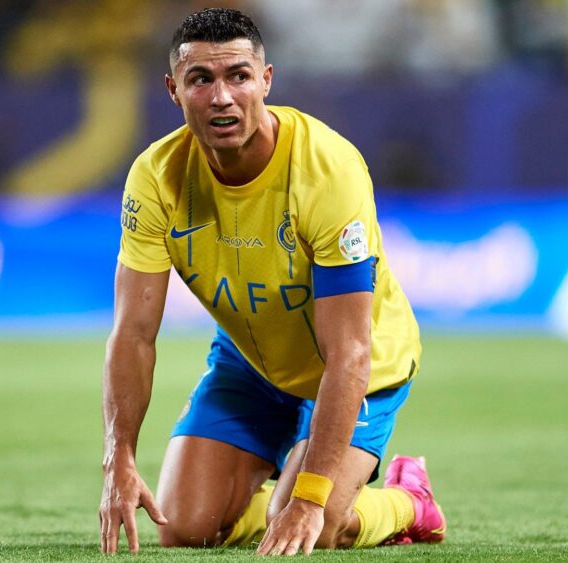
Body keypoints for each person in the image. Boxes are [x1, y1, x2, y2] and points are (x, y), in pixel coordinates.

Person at [98, 8, 445, 556]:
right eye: (200, 79)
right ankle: (277, 497)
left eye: (238, 76)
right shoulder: (156, 176)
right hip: (252, 363)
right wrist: (118, 458)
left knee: (318, 526)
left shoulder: (326, 169)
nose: (221, 97)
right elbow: (133, 333)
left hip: (357, 367)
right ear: (173, 90)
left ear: (266, 80)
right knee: (183, 528)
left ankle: (409, 501)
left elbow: (350, 351)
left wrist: (309, 499)